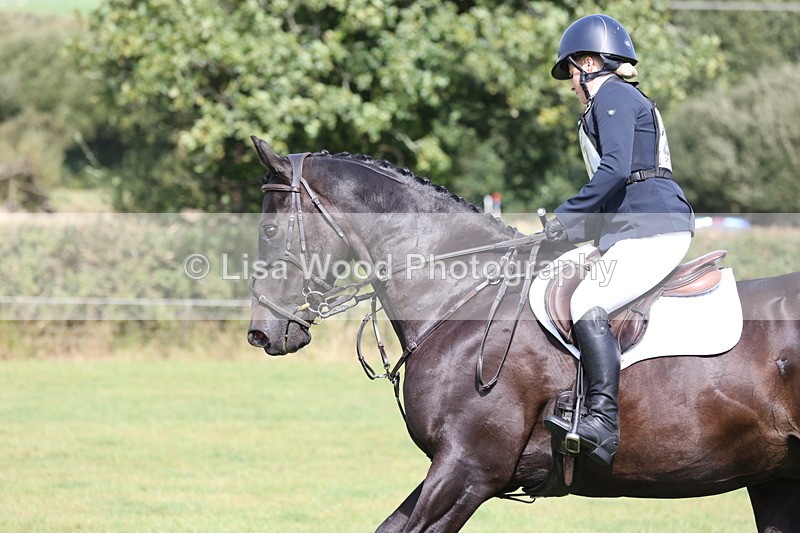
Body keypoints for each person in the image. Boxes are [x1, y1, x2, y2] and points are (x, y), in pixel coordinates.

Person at [542, 14, 695, 466]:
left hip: (654, 226)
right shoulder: (614, 99)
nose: (571, 82)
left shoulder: (613, 97)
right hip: (634, 225)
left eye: (571, 70)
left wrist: (565, 218)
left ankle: (603, 422)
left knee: (586, 303)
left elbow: (615, 172)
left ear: (589, 62)